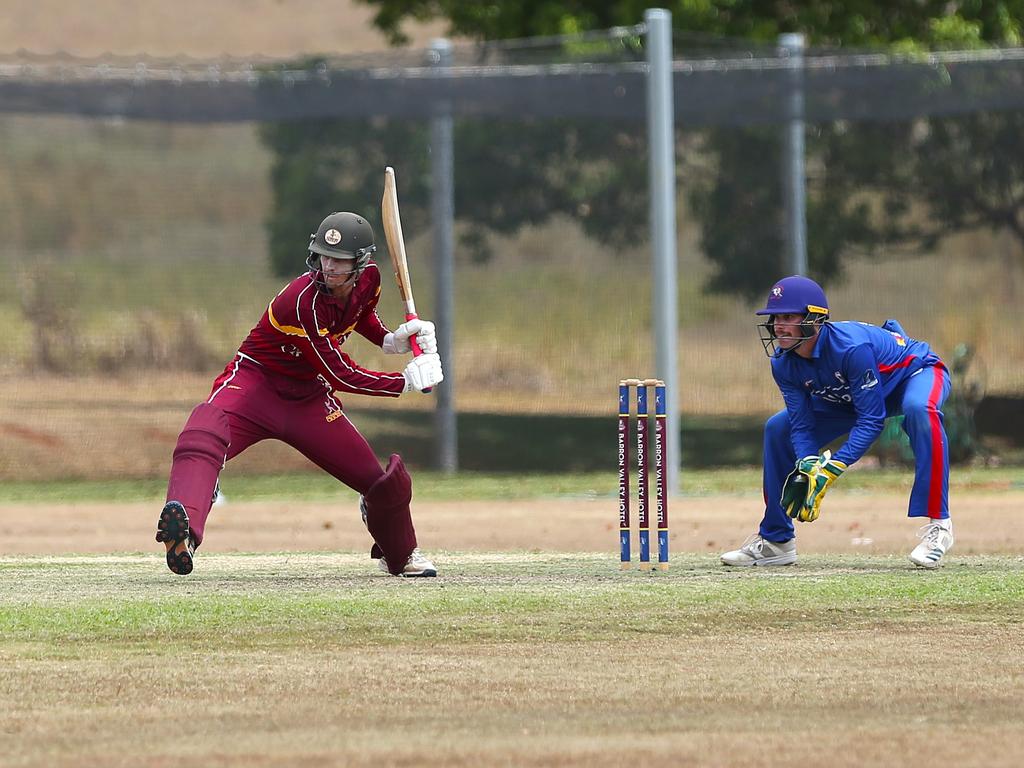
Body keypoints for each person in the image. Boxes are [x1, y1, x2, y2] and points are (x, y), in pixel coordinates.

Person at [156, 211, 444, 577]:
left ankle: (402, 555)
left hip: (308, 397)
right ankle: (184, 530)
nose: (328, 267)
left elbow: (359, 314)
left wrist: (390, 340)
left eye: (338, 260)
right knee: (203, 433)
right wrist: (403, 382)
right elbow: (340, 374)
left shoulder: (370, 280)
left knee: (382, 484)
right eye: (323, 256)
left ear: (360, 264)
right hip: (256, 384)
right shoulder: (301, 301)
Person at [721, 275, 954, 569]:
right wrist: (808, 464)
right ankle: (776, 541)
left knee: (919, 409)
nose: (779, 325)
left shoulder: (850, 349)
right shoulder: (783, 363)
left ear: (814, 320)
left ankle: (939, 528)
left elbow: (871, 420)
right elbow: (801, 424)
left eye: (789, 316)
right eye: (776, 317)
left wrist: (831, 469)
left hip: (913, 374)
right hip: (849, 397)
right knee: (778, 429)